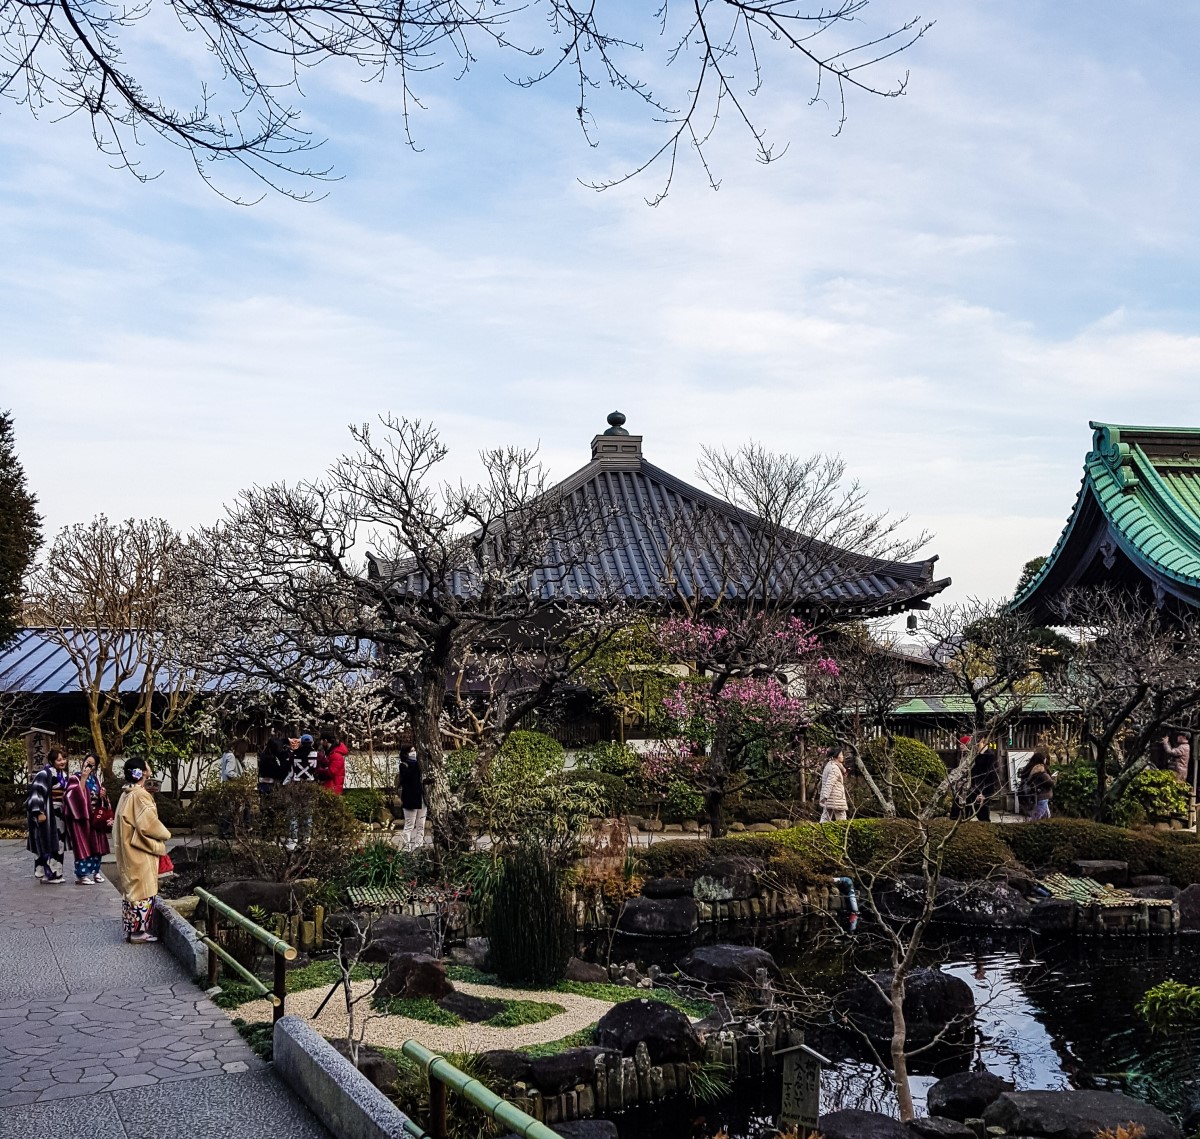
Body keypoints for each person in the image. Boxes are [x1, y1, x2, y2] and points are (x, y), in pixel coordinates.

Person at [113, 758, 171, 943]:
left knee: (132, 889)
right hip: (139, 850)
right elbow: (148, 824)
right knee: (142, 890)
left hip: (127, 848)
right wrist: (165, 834)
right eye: (147, 765)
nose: (149, 767)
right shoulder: (140, 795)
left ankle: (133, 931)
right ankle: (139, 932)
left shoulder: (126, 793)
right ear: (143, 772)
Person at [63, 753, 112, 884]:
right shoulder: (75, 778)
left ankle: (96, 872)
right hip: (80, 818)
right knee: (83, 845)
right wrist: (83, 779)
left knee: (97, 845)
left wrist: (102, 795)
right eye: (87, 762)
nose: (88, 766)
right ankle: (82, 874)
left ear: (95, 767)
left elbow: (101, 798)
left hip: (94, 817)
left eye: (91, 764)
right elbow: (71, 796)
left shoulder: (95, 780)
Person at [26, 747, 69, 883]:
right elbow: (35, 794)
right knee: (46, 841)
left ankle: (56, 873)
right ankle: (47, 874)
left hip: (60, 813)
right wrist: (39, 812)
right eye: (59, 759)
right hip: (48, 812)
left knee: (59, 843)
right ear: (52, 760)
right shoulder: (44, 774)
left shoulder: (63, 774)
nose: (63, 762)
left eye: (64, 759)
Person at [399, 745, 427, 851]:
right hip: (410, 799)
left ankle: (419, 844)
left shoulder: (420, 764)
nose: (414, 752)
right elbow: (407, 778)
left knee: (421, 824)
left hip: (421, 798)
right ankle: (407, 847)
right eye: (411, 751)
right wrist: (414, 765)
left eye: (415, 750)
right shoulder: (404, 765)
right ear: (406, 753)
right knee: (409, 825)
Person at [1018, 753, 1055, 822]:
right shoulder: (1040, 770)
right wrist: (1054, 778)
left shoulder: (1029, 768)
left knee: (1046, 817)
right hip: (1042, 796)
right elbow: (1050, 783)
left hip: (1032, 795)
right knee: (1036, 818)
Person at [257, 725, 292, 795]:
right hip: (267, 786)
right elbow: (279, 774)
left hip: (267, 785)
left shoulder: (268, 756)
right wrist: (285, 762)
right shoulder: (268, 759)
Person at [818, 747, 848, 823]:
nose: (842, 756)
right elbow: (829, 783)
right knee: (841, 817)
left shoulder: (829, 765)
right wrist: (825, 796)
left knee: (825, 817)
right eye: (841, 754)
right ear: (836, 756)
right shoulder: (834, 768)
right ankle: (843, 833)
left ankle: (821, 833)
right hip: (835, 798)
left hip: (830, 798)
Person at [316, 731, 347, 795]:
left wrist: (318, 770)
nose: (320, 742)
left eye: (321, 740)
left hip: (333, 789)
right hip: (330, 788)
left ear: (325, 740)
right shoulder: (330, 753)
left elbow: (331, 772)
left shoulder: (336, 755)